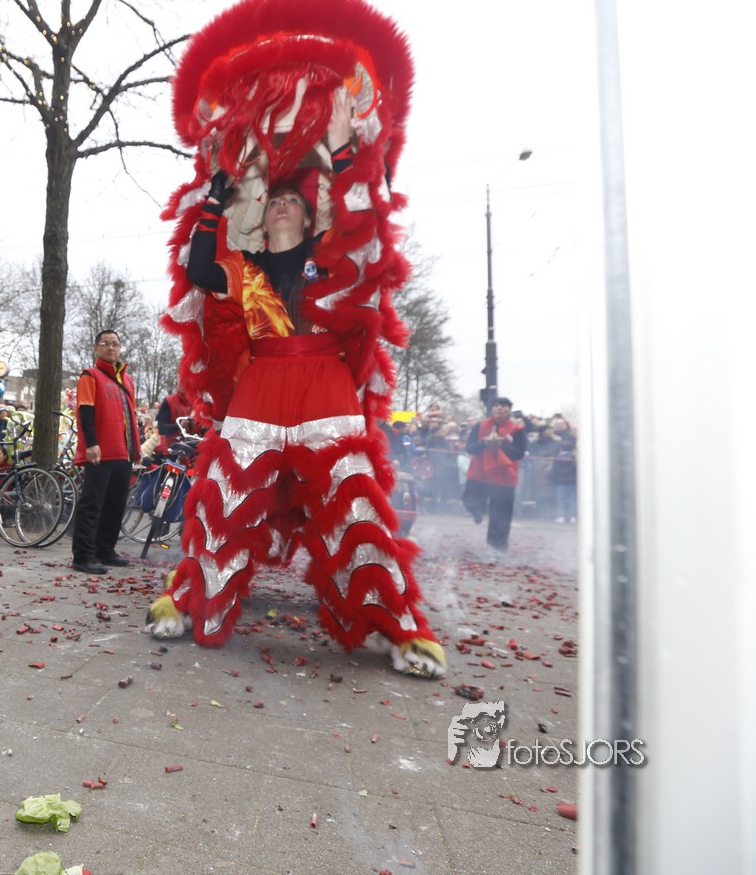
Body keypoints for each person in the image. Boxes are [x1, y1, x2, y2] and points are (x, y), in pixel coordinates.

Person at [143, 1, 446, 678]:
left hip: (324, 383)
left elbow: (366, 233)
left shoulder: (327, 260)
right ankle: (192, 603)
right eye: (273, 198)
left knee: (353, 503)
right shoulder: (243, 268)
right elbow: (199, 268)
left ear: (309, 218)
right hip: (260, 383)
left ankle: (396, 629)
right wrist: (217, 193)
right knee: (223, 495)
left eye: (292, 201)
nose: (280, 201)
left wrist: (343, 146)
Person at [71, 329, 140, 575]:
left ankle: (105, 550)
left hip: (123, 452)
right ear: (96, 348)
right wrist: (91, 443)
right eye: (105, 343)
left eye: (115, 344)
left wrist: (136, 449)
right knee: (92, 504)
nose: (111, 348)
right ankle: (83, 556)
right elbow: (85, 411)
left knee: (115, 505)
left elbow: (131, 417)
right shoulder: (90, 376)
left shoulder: (127, 379)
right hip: (100, 451)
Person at [462, 397, 528, 554]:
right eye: (497, 406)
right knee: (469, 500)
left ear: (509, 410)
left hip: (504, 477)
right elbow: (470, 448)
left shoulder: (517, 430)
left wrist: (501, 445)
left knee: (501, 516)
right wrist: (485, 444)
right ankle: (478, 512)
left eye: (504, 406)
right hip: (480, 473)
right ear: (492, 409)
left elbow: (519, 453)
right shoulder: (480, 426)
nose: (500, 409)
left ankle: (497, 549)